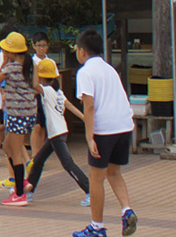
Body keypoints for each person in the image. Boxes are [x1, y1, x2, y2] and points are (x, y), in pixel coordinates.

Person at [73, 29, 138, 237]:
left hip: (105, 129)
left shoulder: (85, 72)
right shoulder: (110, 69)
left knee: (96, 178)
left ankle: (96, 226)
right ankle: (127, 210)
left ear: (82, 51)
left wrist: (89, 136)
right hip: (124, 125)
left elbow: (89, 107)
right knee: (114, 172)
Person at [27, 57, 92, 206]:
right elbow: (69, 105)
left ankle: (89, 191)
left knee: (68, 164)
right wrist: (84, 118)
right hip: (58, 132)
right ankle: (28, 191)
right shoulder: (58, 91)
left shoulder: (48, 91)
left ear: (42, 76)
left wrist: (35, 69)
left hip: (56, 133)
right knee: (38, 161)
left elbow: (35, 85)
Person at [0, 32, 40, 206]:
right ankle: (23, 183)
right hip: (29, 112)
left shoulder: (10, 67)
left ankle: (19, 194)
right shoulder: (32, 64)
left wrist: (4, 64)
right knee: (7, 147)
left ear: (10, 52)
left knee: (14, 152)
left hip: (16, 114)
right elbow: (36, 86)